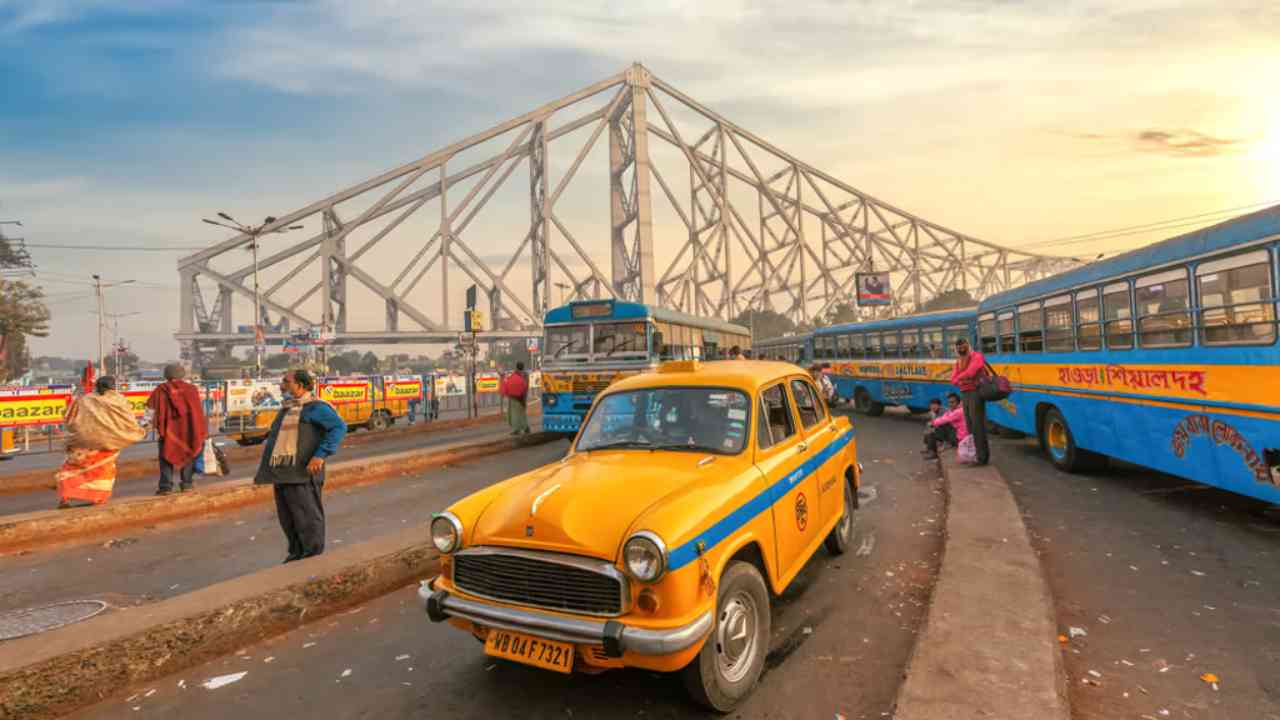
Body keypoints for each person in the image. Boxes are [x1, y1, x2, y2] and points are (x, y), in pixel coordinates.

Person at [254, 369, 347, 563]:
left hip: (303, 473)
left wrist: (320, 455)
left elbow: (338, 428)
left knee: (307, 517)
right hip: (283, 474)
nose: (282, 386)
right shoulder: (288, 408)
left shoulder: (316, 408)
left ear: (301, 385)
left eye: (286, 382)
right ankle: (296, 553)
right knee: (288, 519)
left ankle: (312, 556)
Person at [56, 376, 146, 508]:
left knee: (72, 468)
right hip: (109, 442)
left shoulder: (84, 399)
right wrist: (135, 431)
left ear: (96, 386)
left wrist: (80, 432)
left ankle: (65, 497)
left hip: (83, 441)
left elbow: (69, 418)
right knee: (103, 470)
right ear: (113, 386)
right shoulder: (119, 401)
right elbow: (128, 421)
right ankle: (98, 498)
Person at [146, 363, 207, 495]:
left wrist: (144, 425)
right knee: (189, 452)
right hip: (189, 430)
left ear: (166, 375)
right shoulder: (191, 389)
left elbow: (150, 409)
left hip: (168, 431)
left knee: (165, 456)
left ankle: (165, 487)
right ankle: (187, 484)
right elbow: (198, 412)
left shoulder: (160, 389)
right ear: (182, 374)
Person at [951, 338, 989, 465]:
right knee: (970, 426)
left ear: (968, 345)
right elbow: (953, 380)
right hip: (965, 393)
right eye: (958, 346)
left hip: (975, 393)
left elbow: (971, 372)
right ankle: (974, 454)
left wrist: (961, 378)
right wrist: (963, 378)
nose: (961, 347)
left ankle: (982, 457)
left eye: (963, 345)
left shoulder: (977, 356)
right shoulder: (959, 361)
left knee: (978, 426)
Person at [923, 393, 966, 460]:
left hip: (959, 438)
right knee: (932, 431)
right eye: (949, 402)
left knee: (933, 432)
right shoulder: (952, 410)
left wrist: (932, 423)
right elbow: (945, 416)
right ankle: (932, 450)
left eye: (952, 402)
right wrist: (933, 424)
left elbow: (945, 419)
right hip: (956, 435)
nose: (950, 404)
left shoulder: (958, 411)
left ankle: (933, 453)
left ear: (958, 402)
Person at [503, 362, 531, 435]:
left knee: (515, 414)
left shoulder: (515, 374)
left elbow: (509, 383)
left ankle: (518, 429)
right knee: (521, 413)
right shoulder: (525, 374)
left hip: (515, 397)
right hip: (521, 396)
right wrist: (524, 398)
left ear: (516, 367)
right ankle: (525, 428)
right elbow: (526, 386)